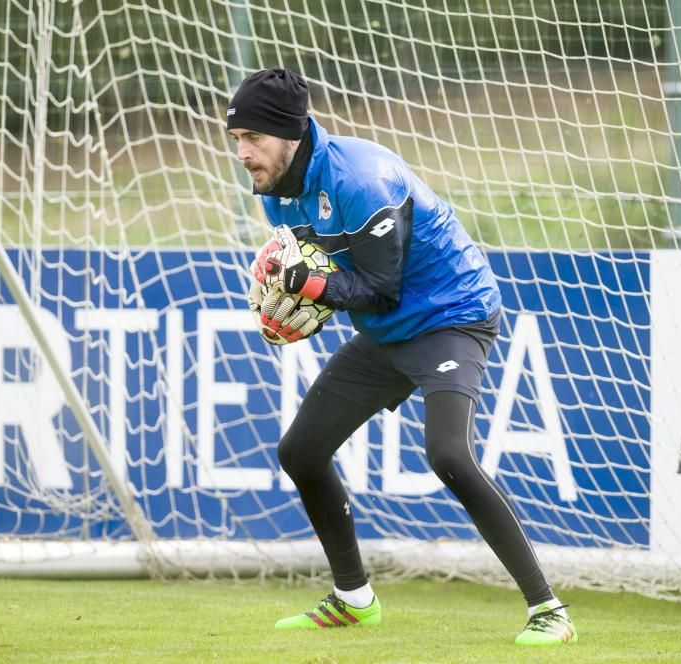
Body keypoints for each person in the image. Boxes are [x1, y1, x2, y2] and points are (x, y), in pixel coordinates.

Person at [225, 67, 578, 647]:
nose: (243, 152)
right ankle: (354, 600)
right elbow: (338, 281)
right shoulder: (276, 194)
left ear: (291, 134)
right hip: (390, 329)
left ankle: (549, 610)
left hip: (451, 315)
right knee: (300, 451)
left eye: (254, 139)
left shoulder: (361, 179)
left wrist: (308, 287)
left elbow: (379, 288)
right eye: (236, 140)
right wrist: (296, 296)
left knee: (448, 455)